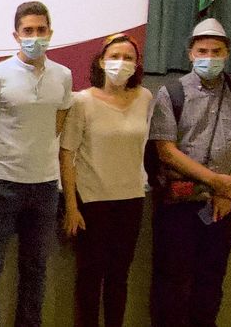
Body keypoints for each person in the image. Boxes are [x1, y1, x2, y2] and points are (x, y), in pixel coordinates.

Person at [148, 18, 231, 327]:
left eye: (217, 51)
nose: (209, 57)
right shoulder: (171, 93)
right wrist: (215, 182)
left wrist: (229, 188)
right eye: (203, 51)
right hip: (179, 202)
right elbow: (166, 151)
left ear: (227, 53)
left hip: (225, 203)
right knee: (172, 280)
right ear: (190, 54)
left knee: (211, 279)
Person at [0, 1, 74, 327]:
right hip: (1, 184)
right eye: (28, 31)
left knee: (36, 268)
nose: (35, 37)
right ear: (16, 35)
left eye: (41, 30)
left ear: (50, 33)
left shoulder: (64, 76)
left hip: (44, 187)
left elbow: (57, 124)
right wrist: (3, 156)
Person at [60, 33, 152, 327]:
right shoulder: (82, 101)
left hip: (131, 198)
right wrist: (71, 206)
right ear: (101, 62)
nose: (120, 64)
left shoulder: (145, 97)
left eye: (128, 58)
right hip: (93, 201)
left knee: (119, 277)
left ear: (136, 65)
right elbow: (67, 154)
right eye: (114, 57)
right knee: (90, 277)